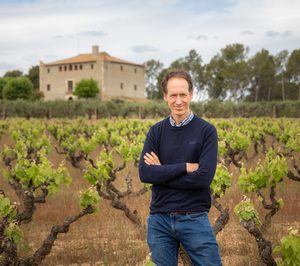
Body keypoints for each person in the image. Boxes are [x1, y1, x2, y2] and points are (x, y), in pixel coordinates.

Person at [138, 70, 222, 266]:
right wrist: (184, 167)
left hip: (194, 217)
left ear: (191, 95)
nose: (178, 101)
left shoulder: (206, 131)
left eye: (183, 94)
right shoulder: (156, 132)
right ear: (165, 97)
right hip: (159, 220)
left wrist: (161, 172)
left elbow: (203, 178)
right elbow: (145, 173)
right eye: (173, 95)